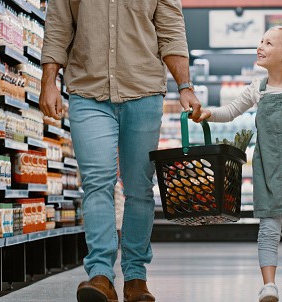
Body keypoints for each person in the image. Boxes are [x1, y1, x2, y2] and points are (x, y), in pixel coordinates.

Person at [39, 1, 201, 302]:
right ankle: (100, 274)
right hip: (88, 90)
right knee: (97, 181)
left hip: (143, 90)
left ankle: (136, 277)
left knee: (138, 187)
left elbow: (171, 31)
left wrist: (185, 86)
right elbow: (59, 24)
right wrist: (49, 80)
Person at [193, 26, 282, 302]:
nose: (260, 46)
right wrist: (208, 114)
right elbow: (231, 111)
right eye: (261, 41)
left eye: (269, 43)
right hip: (267, 168)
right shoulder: (256, 89)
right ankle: (268, 285)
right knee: (268, 227)